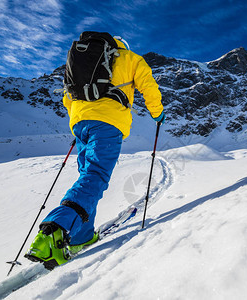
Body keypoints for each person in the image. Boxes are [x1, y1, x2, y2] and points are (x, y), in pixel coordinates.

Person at [25, 34, 165, 270]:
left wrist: (81, 116)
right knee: (96, 175)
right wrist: (157, 112)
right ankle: (54, 229)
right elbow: (148, 85)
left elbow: (67, 98)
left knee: (88, 177)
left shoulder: (82, 61)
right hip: (108, 123)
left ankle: (82, 236)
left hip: (81, 123)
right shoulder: (129, 58)